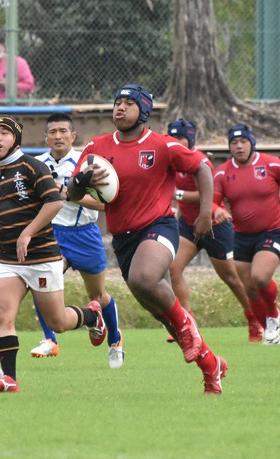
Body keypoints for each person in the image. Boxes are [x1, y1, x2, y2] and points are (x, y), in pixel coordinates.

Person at [67, 84, 227, 395]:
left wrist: (205, 213)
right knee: (161, 314)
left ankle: (188, 328)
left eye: (129, 103)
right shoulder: (96, 147)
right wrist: (81, 181)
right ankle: (211, 366)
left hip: (159, 226)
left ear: (144, 111)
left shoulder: (162, 145)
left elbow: (203, 168)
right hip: (124, 239)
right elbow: (72, 193)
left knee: (144, 278)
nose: (120, 107)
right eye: (118, 102)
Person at [0, 115, 106, 393]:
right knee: (3, 316)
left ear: (16, 139)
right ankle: (10, 379)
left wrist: (28, 232)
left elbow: (54, 203)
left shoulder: (32, 166)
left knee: (58, 322)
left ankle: (92, 316)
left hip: (42, 256)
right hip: (8, 259)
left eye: (4, 133)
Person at [29, 112, 124, 368]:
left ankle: (114, 340)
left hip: (85, 235)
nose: (58, 136)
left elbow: (106, 204)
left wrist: (69, 194)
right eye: (53, 132)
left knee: (98, 295)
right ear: (46, 137)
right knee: (41, 283)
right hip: (53, 234)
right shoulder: (37, 165)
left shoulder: (87, 164)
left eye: (63, 131)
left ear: (73, 136)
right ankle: (50, 340)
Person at [167, 119, 263, 343]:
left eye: (180, 138)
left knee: (232, 277)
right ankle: (187, 324)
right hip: (188, 226)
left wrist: (178, 195)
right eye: (172, 138)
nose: (175, 142)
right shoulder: (170, 161)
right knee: (172, 270)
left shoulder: (199, 162)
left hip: (214, 227)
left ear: (190, 140)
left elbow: (206, 195)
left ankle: (254, 318)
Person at [213, 124, 280, 345]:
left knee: (260, 277)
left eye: (243, 142)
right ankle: (270, 333)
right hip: (241, 236)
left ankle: (273, 315)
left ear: (252, 143)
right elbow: (212, 202)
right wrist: (216, 210)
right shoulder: (222, 173)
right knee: (249, 289)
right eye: (234, 143)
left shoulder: (270, 164)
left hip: (270, 232)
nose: (239, 146)